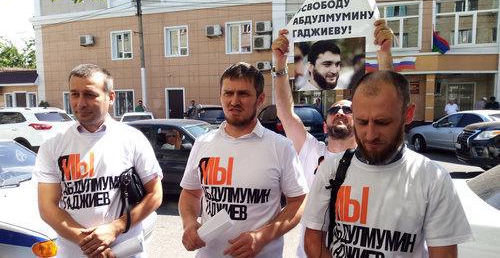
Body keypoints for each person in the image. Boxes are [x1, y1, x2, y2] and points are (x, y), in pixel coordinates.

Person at [302, 70, 473, 257]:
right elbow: (313, 239)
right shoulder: (332, 169)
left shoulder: (433, 179)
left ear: (408, 114)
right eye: (361, 121)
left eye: (382, 122)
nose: (370, 134)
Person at [271, 19, 394, 257]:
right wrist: (279, 63)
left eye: (349, 111)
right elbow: (285, 112)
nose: (340, 112)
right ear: (325, 125)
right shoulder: (311, 151)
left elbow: (388, 106)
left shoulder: (373, 157)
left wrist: (384, 55)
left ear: (359, 123)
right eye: (334, 110)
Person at [178, 62, 308, 257]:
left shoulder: (280, 147)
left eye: (243, 94)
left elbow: (298, 202)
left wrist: (262, 236)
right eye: (228, 93)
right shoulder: (203, 143)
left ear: (260, 99)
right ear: (220, 96)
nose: (234, 101)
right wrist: (189, 223)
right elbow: (190, 193)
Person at [34, 64, 163, 257]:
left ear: (110, 97)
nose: (80, 103)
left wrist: (116, 228)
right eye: (74, 94)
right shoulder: (53, 144)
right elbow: (47, 207)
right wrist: (89, 243)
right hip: (75, 253)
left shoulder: (132, 138)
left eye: (89, 94)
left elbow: (155, 194)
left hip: (124, 252)